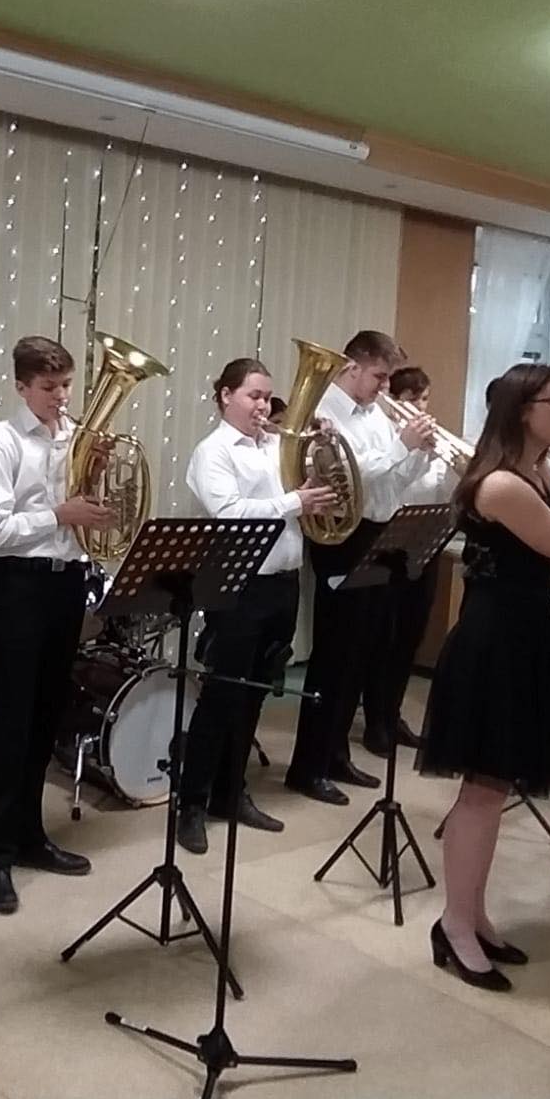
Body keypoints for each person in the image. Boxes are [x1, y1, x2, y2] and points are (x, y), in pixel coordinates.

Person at [416, 363, 550, 992]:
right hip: (495, 643)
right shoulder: (502, 484)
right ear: (522, 409)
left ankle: (474, 916)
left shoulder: (536, 473)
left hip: (524, 634)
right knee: (482, 793)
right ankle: (455, 924)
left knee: (495, 786)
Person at [0, 336, 111, 914]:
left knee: (47, 717)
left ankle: (31, 836)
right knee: (12, 723)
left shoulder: (76, 438)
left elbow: (87, 515)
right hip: (17, 585)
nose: (62, 396)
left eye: (67, 385)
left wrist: (95, 495)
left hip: (65, 582)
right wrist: (61, 513)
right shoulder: (1, 441)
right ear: (22, 387)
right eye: (50, 387)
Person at [176, 359, 336, 854]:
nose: (263, 406)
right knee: (222, 697)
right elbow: (230, 513)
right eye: (253, 396)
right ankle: (192, 803)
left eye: (267, 397)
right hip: (238, 587)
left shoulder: (278, 447)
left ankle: (231, 793)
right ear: (226, 396)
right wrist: (293, 502)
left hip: (283, 584)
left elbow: (309, 492)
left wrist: (321, 448)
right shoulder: (213, 452)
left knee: (256, 695)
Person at [285, 331, 437, 806]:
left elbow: (391, 483)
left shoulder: (375, 414)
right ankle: (308, 766)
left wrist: (419, 453)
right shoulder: (325, 411)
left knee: (363, 651)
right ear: (352, 367)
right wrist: (400, 446)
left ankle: (335, 755)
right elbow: (348, 472)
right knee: (334, 656)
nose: (384, 387)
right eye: (379, 376)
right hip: (341, 539)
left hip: (377, 533)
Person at [378, 365, 456, 753]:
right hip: (392, 547)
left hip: (426, 543)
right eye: (412, 399)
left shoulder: (429, 444)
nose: (421, 407)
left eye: (424, 398)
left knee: (411, 636)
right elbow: (397, 490)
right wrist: (416, 453)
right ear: (395, 400)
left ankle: (391, 715)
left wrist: (446, 462)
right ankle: (378, 720)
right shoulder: (388, 438)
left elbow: (443, 492)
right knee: (387, 639)